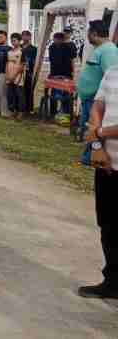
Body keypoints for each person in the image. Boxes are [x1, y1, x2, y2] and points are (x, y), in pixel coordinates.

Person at [79, 64, 118, 299]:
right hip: (107, 163)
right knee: (108, 224)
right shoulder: (113, 70)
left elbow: (97, 128)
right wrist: (96, 144)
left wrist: (99, 133)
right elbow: (98, 105)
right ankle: (113, 281)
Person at [77, 21, 118, 141]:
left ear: (94, 34)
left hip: (96, 101)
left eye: (88, 33)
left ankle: (90, 159)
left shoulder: (108, 51)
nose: (87, 36)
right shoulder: (100, 49)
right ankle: (88, 158)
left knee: (94, 132)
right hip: (89, 100)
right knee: (89, 133)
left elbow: (111, 77)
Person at [48, 32, 77, 115]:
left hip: (66, 74)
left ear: (61, 39)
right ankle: (52, 112)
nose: (55, 41)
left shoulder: (68, 47)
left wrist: (73, 72)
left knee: (66, 94)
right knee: (54, 94)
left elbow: (72, 60)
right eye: (54, 39)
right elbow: (51, 61)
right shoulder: (51, 47)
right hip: (54, 73)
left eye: (57, 39)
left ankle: (66, 112)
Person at [6, 33, 26, 119]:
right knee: (10, 94)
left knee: (19, 94)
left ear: (19, 41)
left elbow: (22, 66)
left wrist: (14, 76)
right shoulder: (9, 52)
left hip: (18, 76)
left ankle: (20, 112)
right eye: (11, 40)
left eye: (14, 40)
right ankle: (12, 111)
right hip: (9, 75)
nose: (13, 42)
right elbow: (7, 63)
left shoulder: (22, 51)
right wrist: (7, 74)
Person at [20, 30, 38, 114]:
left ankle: (29, 108)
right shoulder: (19, 47)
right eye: (23, 35)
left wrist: (33, 72)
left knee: (29, 90)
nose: (25, 37)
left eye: (27, 36)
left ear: (30, 37)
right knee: (19, 90)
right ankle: (20, 107)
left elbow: (35, 62)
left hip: (28, 72)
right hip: (18, 71)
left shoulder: (34, 49)